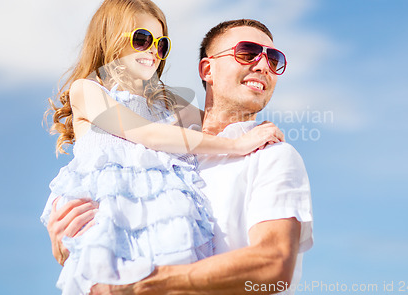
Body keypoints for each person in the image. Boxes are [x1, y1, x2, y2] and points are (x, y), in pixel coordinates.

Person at [47, 17, 313, 295]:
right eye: (247, 53)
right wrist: (75, 249)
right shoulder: (156, 161)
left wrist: (142, 284)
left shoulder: (271, 156)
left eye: (274, 59)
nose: (262, 65)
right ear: (207, 69)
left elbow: (272, 266)